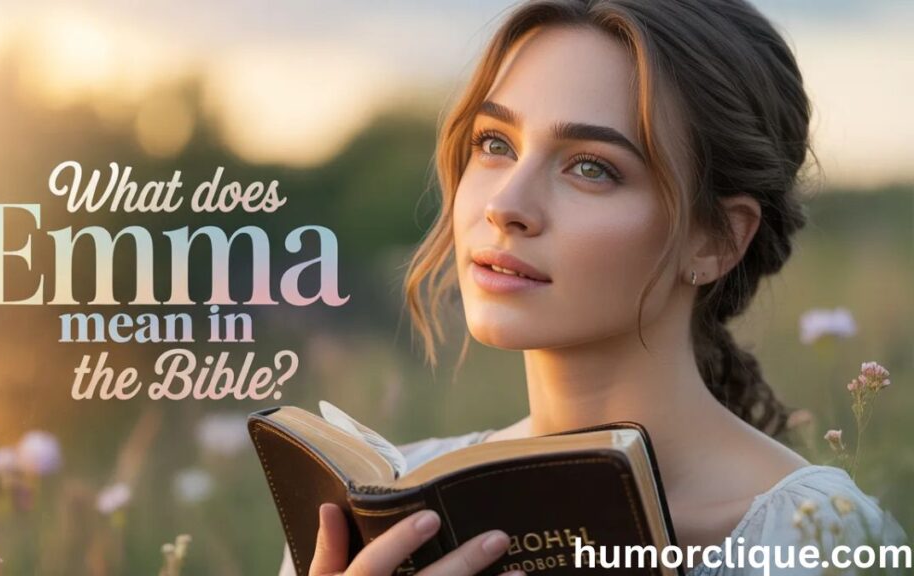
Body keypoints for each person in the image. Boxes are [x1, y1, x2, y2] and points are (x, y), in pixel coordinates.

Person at [282, 0, 908, 574]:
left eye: (591, 168)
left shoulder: (822, 542)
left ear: (716, 240)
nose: (506, 204)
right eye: (494, 143)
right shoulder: (374, 517)